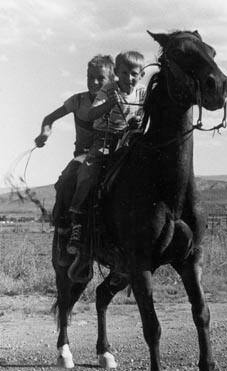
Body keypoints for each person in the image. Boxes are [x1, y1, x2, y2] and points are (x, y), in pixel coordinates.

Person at [67, 50, 146, 254]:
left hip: (129, 138)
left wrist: (141, 120)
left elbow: (149, 112)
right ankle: (77, 221)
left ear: (141, 75)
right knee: (88, 171)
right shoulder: (108, 90)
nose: (129, 78)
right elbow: (92, 113)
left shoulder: (142, 92)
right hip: (104, 138)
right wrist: (109, 104)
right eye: (125, 73)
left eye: (134, 74)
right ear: (116, 74)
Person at [34, 54, 115, 231]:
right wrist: (45, 133)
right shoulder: (78, 101)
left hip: (116, 154)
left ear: (111, 79)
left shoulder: (118, 101)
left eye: (100, 78)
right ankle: (64, 228)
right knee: (66, 181)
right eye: (90, 77)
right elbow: (50, 118)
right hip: (85, 155)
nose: (93, 82)